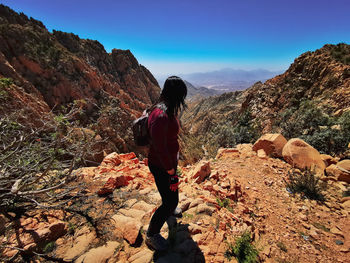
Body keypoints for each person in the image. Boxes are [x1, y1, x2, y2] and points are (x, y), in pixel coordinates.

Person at [145, 76, 187, 251]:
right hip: (161, 165)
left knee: (171, 193)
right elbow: (159, 147)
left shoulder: (166, 109)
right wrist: (170, 170)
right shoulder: (160, 116)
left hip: (168, 163)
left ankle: (170, 210)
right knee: (170, 200)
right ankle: (151, 234)